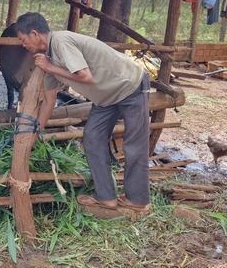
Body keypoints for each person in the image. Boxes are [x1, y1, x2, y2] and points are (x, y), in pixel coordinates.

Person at [13, 12, 152, 216]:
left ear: (34, 33)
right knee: (92, 138)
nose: (23, 45)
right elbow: (49, 102)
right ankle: (106, 197)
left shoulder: (60, 41)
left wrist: (49, 66)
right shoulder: (48, 60)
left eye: (23, 40)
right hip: (105, 98)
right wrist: (35, 134)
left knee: (134, 145)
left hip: (129, 86)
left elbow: (85, 76)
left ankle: (138, 200)